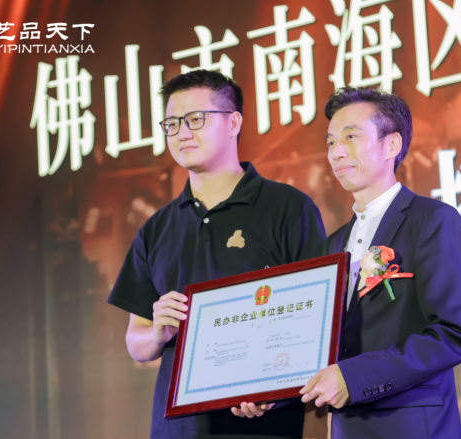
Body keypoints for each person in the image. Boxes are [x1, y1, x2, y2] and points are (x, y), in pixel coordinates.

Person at [107, 69, 326, 439]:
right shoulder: (157, 229)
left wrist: (273, 392)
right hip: (177, 427)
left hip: (260, 423)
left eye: (196, 119)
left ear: (233, 122)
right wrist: (158, 333)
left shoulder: (287, 207)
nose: (182, 133)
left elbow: (316, 319)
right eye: (172, 123)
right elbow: (137, 343)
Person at [299, 86, 461, 438]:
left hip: (412, 426)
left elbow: (452, 334)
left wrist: (354, 377)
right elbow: (319, 346)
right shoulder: (332, 245)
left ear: (391, 145)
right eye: (331, 142)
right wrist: (269, 397)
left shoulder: (431, 220)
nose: (336, 152)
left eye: (350, 137)